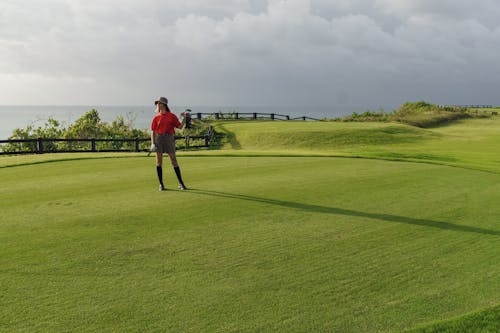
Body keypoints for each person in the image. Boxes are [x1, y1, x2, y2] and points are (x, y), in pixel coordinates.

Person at [150, 96, 188, 191]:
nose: (157, 105)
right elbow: (153, 131)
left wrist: (184, 118)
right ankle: (161, 184)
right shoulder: (156, 117)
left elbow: (179, 126)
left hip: (169, 138)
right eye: (157, 103)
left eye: (159, 103)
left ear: (164, 104)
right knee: (159, 162)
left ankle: (181, 183)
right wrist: (152, 143)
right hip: (159, 139)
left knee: (173, 160)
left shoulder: (171, 116)